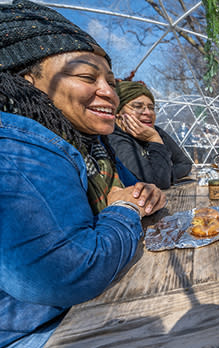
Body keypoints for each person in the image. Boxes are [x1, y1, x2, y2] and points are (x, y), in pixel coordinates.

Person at [0, 1, 166, 347]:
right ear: (28, 81)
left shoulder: (93, 147)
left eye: (111, 80)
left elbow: (152, 181)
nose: (109, 92)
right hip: (32, 331)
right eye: (88, 77)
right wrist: (125, 210)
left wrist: (144, 193)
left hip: (84, 304)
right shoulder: (14, 144)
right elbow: (67, 273)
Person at [108, 80, 193, 189]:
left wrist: (166, 174)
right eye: (138, 106)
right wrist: (154, 140)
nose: (148, 112)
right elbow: (156, 183)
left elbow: (185, 164)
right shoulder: (115, 139)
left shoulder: (153, 131)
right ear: (118, 112)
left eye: (151, 108)